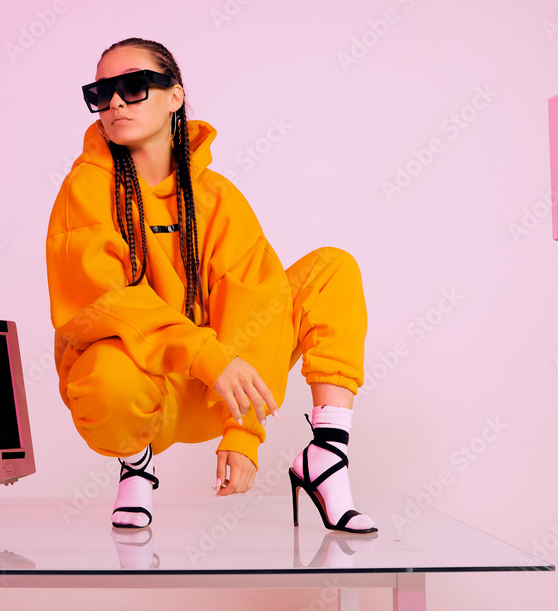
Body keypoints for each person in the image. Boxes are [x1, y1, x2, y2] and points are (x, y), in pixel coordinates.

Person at [45, 37, 376, 534]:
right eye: (101, 92)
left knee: (333, 268)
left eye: (133, 87)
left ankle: (327, 457)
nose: (114, 102)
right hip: (145, 391)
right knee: (103, 373)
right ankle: (136, 467)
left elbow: (255, 301)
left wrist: (243, 432)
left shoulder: (216, 195)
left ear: (175, 96)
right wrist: (206, 355)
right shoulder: (85, 187)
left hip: (227, 387)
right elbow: (104, 301)